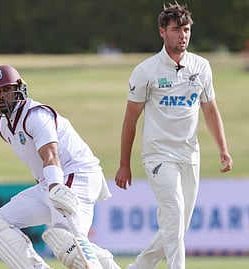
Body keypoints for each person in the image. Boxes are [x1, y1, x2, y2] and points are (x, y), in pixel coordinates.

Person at [114, 2, 233, 269]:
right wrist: (124, 163)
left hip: (190, 155)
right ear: (162, 32)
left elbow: (210, 110)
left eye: (187, 29)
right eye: (176, 29)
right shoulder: (146, 71)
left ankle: (138, 267)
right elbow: (130, 120)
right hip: (158, 155)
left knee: (178, 225)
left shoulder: (201, 67)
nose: (183, 35)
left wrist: (223, 149)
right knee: (174, 214)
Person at [0, 65, 120, 269]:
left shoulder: (36, 115)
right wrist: (50, 188)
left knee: (64, 240)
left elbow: (50, 154)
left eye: (6, 89)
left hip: (76, 174)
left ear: (19, 88)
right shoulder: (4, 126)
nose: (1, 96)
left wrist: (56, 189)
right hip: (48, 184)